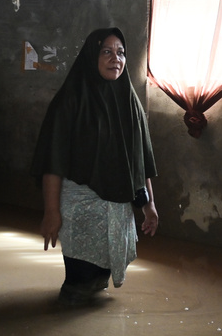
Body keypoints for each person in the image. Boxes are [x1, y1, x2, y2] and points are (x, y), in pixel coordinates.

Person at [30, 27, 158, 306]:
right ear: (92, 56)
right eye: (107, 52)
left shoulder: (130, 102)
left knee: (99, 282)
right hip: (81, 207)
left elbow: (141, 160)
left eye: (121, 53)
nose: (116, 59)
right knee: (77, 285)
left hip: (118, 208)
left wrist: (149, 205)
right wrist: (51, 212)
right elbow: (53, 161)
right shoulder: (71, 100)